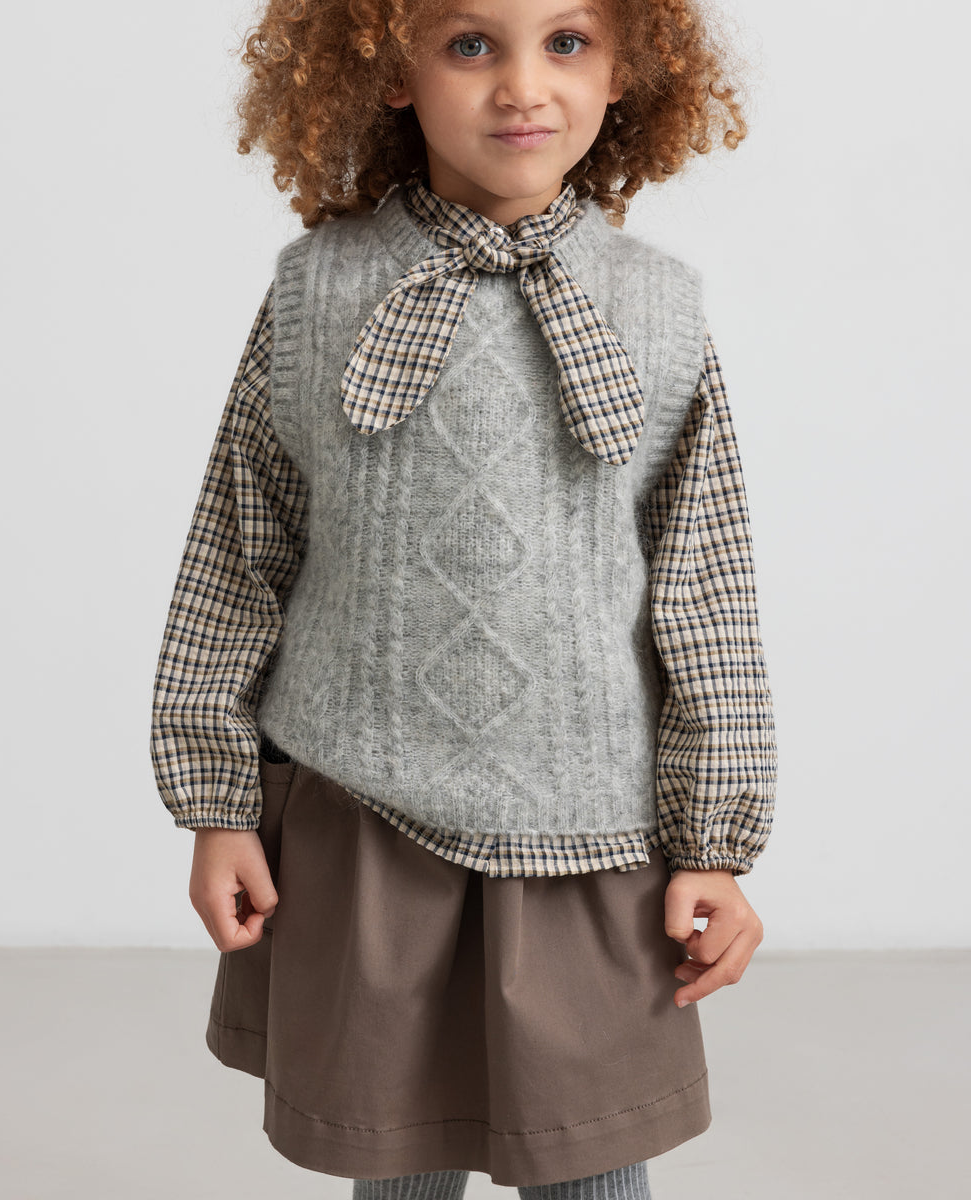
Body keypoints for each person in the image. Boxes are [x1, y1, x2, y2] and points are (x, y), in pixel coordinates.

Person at [149, 1, 777, 1197]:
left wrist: (715, 838)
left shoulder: (658, 309)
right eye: (470, 43)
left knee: (592, 1170)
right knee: (394, 1161)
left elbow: (704, 588)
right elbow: (237, 552)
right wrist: (216, 803)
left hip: (591, 828)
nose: (522, 85)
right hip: (363, 817)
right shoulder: (319, 292)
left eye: (567, 41)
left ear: (627, 67)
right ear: (391, 67)